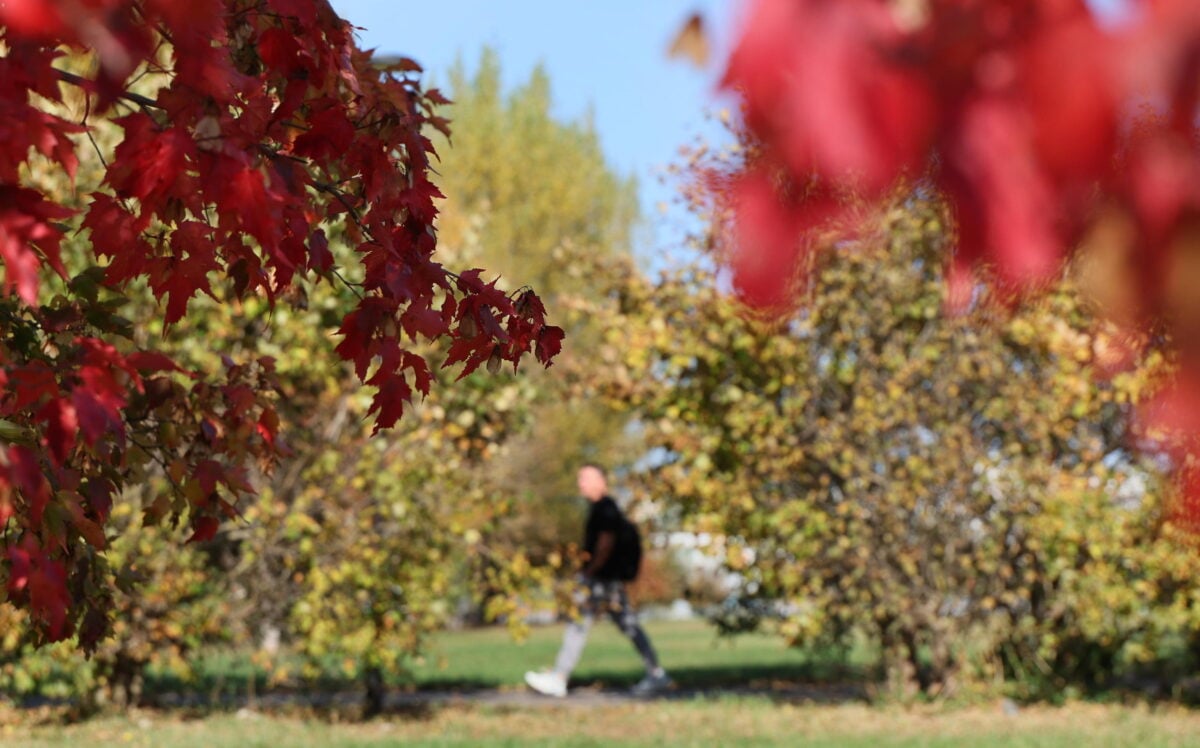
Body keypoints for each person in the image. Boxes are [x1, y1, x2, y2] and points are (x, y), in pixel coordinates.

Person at [524, 464, 671, 697]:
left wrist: (590, 572)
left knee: (579, 624)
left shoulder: (605, 509)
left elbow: (605, 543)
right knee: (627, 625)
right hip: (607, 580)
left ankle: (559, 678)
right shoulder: (603, 508)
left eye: (585, 478)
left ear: (601, 481)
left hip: (600, 580)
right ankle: (656, 673)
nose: (580, 483)